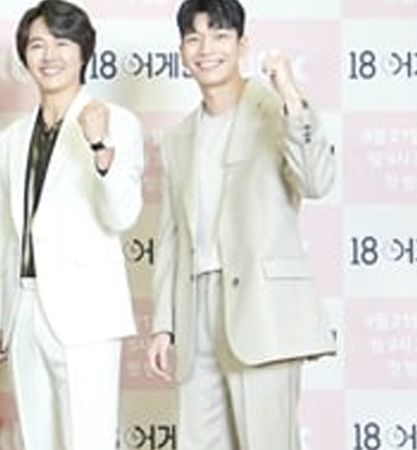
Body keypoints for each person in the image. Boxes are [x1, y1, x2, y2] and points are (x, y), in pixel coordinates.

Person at [144, 1, 337, 449]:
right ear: (181, 50)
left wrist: (290, 95)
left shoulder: (277, 110)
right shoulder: (177, 139)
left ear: (242, 44)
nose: (206, 48)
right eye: (194, 38)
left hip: (262, 308)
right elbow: (171, 237)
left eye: (219, 36)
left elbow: (316, 181)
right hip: (195, 310)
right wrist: (163, 324)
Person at [0, 1, 146, 448]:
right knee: (38, 439)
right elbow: (4, 237)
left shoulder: (117, 123)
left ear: (83, 52)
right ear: (24, 56)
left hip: (86, 310)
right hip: (25, 308)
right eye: (38, 45)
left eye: (62, 43)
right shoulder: (11, 139)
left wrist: (101, 148)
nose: (49, 55)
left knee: (88, 438)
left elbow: (122, 215)